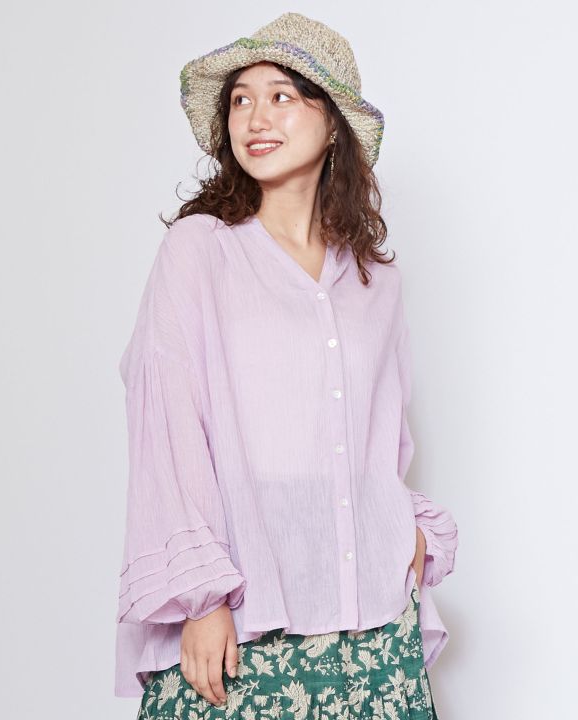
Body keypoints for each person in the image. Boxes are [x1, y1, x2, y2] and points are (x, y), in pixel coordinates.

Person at [114, 12, 459, 720]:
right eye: (241, 99)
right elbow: (168, 424)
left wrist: (410, 533)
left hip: (374, 625)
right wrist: (202, 599)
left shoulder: (375, 281)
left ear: (332, 125)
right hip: (245, 616)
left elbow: (383, 441)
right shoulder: (200, 251)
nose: (255, 117)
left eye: (282, 96)